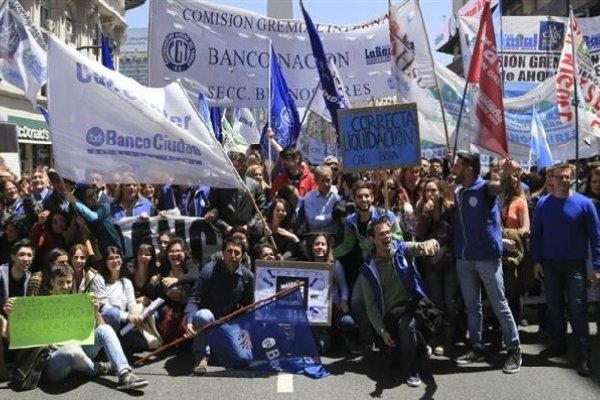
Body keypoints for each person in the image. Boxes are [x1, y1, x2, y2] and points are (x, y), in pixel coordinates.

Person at [4, 263, 148, 390]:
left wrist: (95, 312)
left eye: (68, 282)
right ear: (52, 282)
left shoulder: (79, 303)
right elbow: (12, 340)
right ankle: (97, 368)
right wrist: (11, 315)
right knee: (71, 350)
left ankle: (125, 374)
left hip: (81, 353)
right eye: (61, 282)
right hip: (53, 362)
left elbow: (103, 330)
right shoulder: (38, 306)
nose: (65, 286)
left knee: (105, 329)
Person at [451, 152, 522, 374]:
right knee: (473, 307)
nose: (453, 168)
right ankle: (477, 347)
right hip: (465, 258)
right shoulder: (460, 192)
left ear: (469, 169)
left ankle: (514, 350)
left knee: (499, 304)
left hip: (487, 258)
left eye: (457, 165)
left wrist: (508, 174)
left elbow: (498, 186)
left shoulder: (485, 188)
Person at [530, 163, 600, 377]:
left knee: (578, 310)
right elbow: (537, 235)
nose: (563, 180)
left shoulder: (585, 204)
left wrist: (597, 266)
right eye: (559, 177)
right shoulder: (542, 204)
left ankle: (584, 354)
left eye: (567, 177)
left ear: (573, 178)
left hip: (575, 266)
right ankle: (558, 344)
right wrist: (536, 261)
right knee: (554, 308)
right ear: (552, 179)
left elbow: (596, 237)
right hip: (550, 265)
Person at [359, 217, 440, 387]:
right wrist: (382, 331)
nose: (386, 236)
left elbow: (422, 246)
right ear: (373, 239)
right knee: (395, 353)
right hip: (391, 316)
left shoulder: (402, 250)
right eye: (381, 234)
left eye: (388, 232)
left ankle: (411, 369)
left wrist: (432, 243)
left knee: (407, 325)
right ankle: (419, 345)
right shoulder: (368, 269)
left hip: (415, 307)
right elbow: (371, 307)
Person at [184, 237, 254, 375]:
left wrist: (247, 330)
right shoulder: (209, 271)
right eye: (229, 251)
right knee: (203, 316)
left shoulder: (247, 277)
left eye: (237, 252)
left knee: (245, 358)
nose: (232, 256)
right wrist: (189, 321)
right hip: (208, 320)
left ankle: (216, 349)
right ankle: (201, 356)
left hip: (229, 324)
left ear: (242, 256)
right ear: (223, 253)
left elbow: (248, 307)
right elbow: (194, 298)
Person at [414, 179, 457, 356]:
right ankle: (436, 335)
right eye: (427, 191)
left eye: (433, 190)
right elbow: (420, 234)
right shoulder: (422, 208)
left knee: (449, 300)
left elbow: (452, 234)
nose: (430, 194)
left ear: (440, 192)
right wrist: (425, 215)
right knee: (435, 300)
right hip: (431, 262)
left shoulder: (451, 208)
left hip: (448, 261)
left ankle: (449, 337)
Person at [300, 165, 340, 234]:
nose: (326, 184)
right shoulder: (310, 197)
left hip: (335, 235)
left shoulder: (338, 194)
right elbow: (312, 221)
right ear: (316, 181)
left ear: (332, 179)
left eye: (328, 180)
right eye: (322, 181)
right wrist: (333, 216)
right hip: (315, 235)